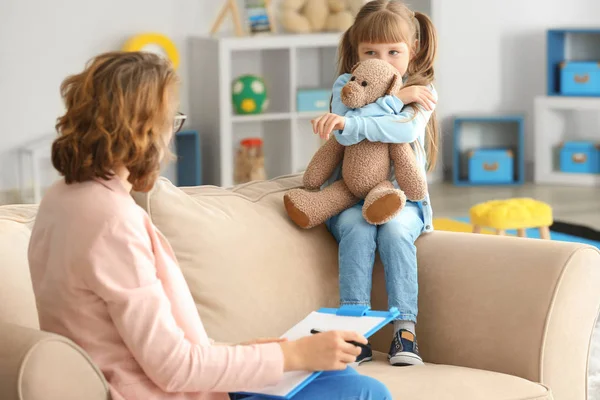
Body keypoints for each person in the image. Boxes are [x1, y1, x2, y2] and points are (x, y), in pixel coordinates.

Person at [27, 51, 392, 400]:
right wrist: (293, 357)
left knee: (336, 373)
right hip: (158, 393)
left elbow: (151, 346)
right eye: (170, 121)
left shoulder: (61, 198)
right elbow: (173, 368)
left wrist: (275, 352)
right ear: (141, 130)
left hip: (167, 381)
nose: (170, 136)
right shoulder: (112, 222)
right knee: (364, 392)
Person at [310, 0, 440, 367]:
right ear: (356, 53)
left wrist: (351, 122)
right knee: (356, 226)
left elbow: (403, 128)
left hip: (404, 201)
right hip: (350, 198)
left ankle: (405, 330)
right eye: (371, 51)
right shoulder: (345, 86)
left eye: (393, 52)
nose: (382, 60)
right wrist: (394, 100)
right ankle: (354, 331)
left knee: (396, 231)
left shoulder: (423, 90)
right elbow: (348, 139)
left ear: (412, 51)